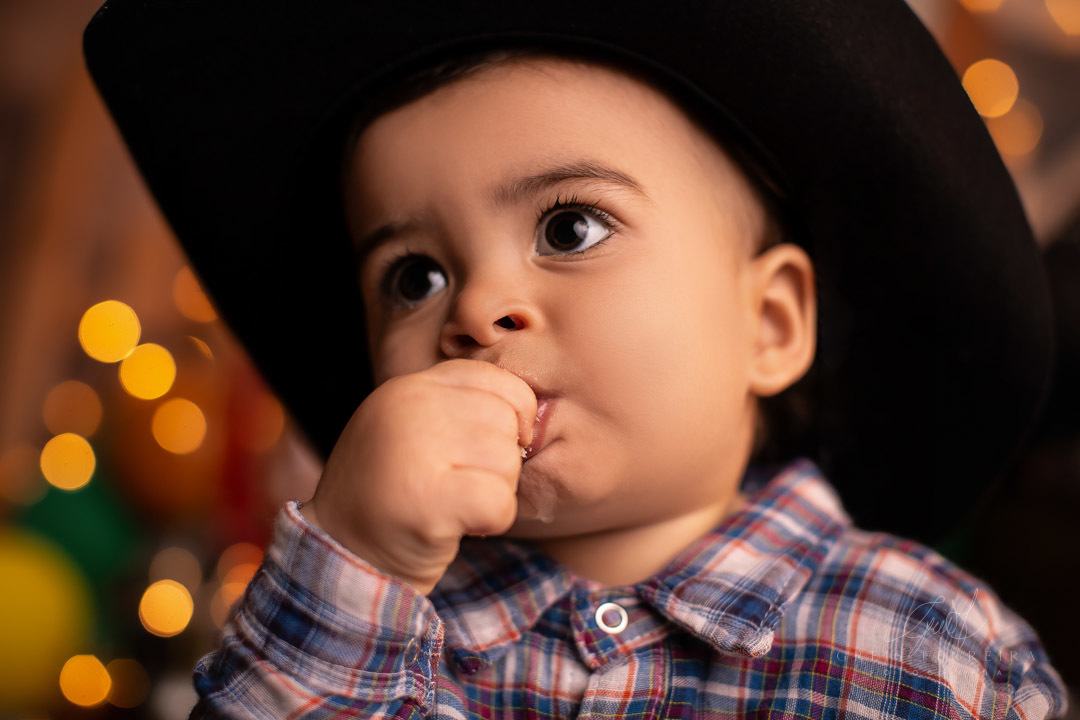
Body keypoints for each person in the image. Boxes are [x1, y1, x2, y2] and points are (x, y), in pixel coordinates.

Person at [82, 1, 1071, 717]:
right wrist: (359, 563)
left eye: (570, 226)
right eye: (413, 277)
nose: (473, 306)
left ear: (769, 324)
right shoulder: (376, 638)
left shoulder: (930, 646)